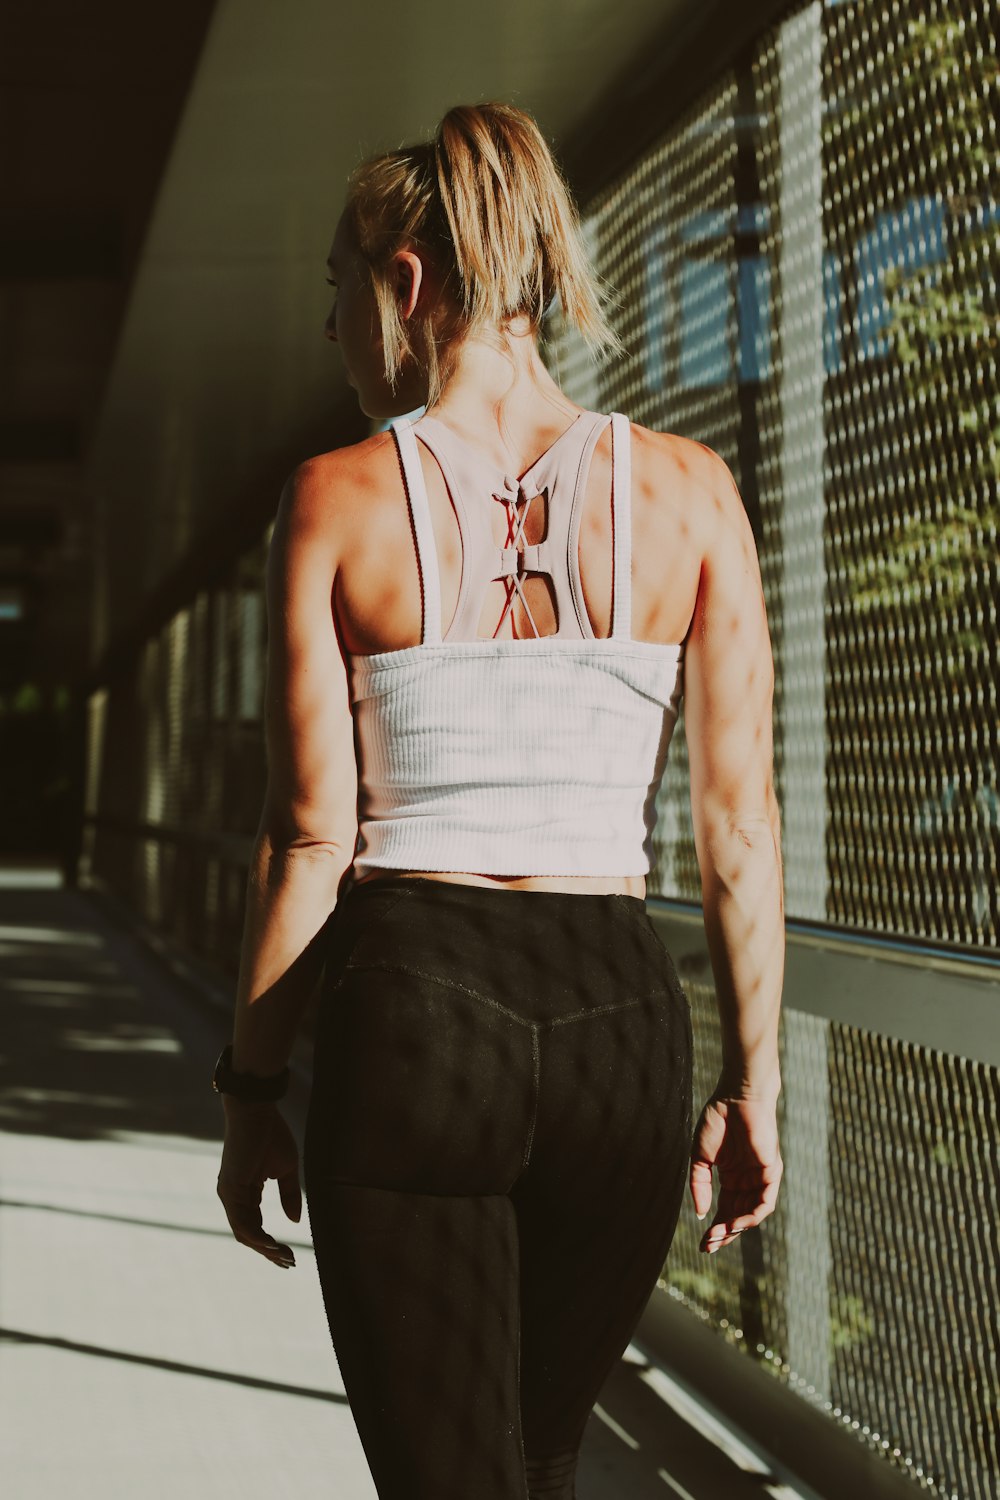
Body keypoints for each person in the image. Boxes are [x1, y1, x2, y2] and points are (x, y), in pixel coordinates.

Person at [214, 101, 785, 1500]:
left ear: (408, 281)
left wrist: (250, 1088)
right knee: (538, 1467)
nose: (333, 328)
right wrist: (749, 1084)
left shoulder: (339, 500)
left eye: (338, 293)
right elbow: (737, 829)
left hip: (421, 1010)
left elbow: (309, 837)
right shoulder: (695, 495)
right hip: (619, 1026)